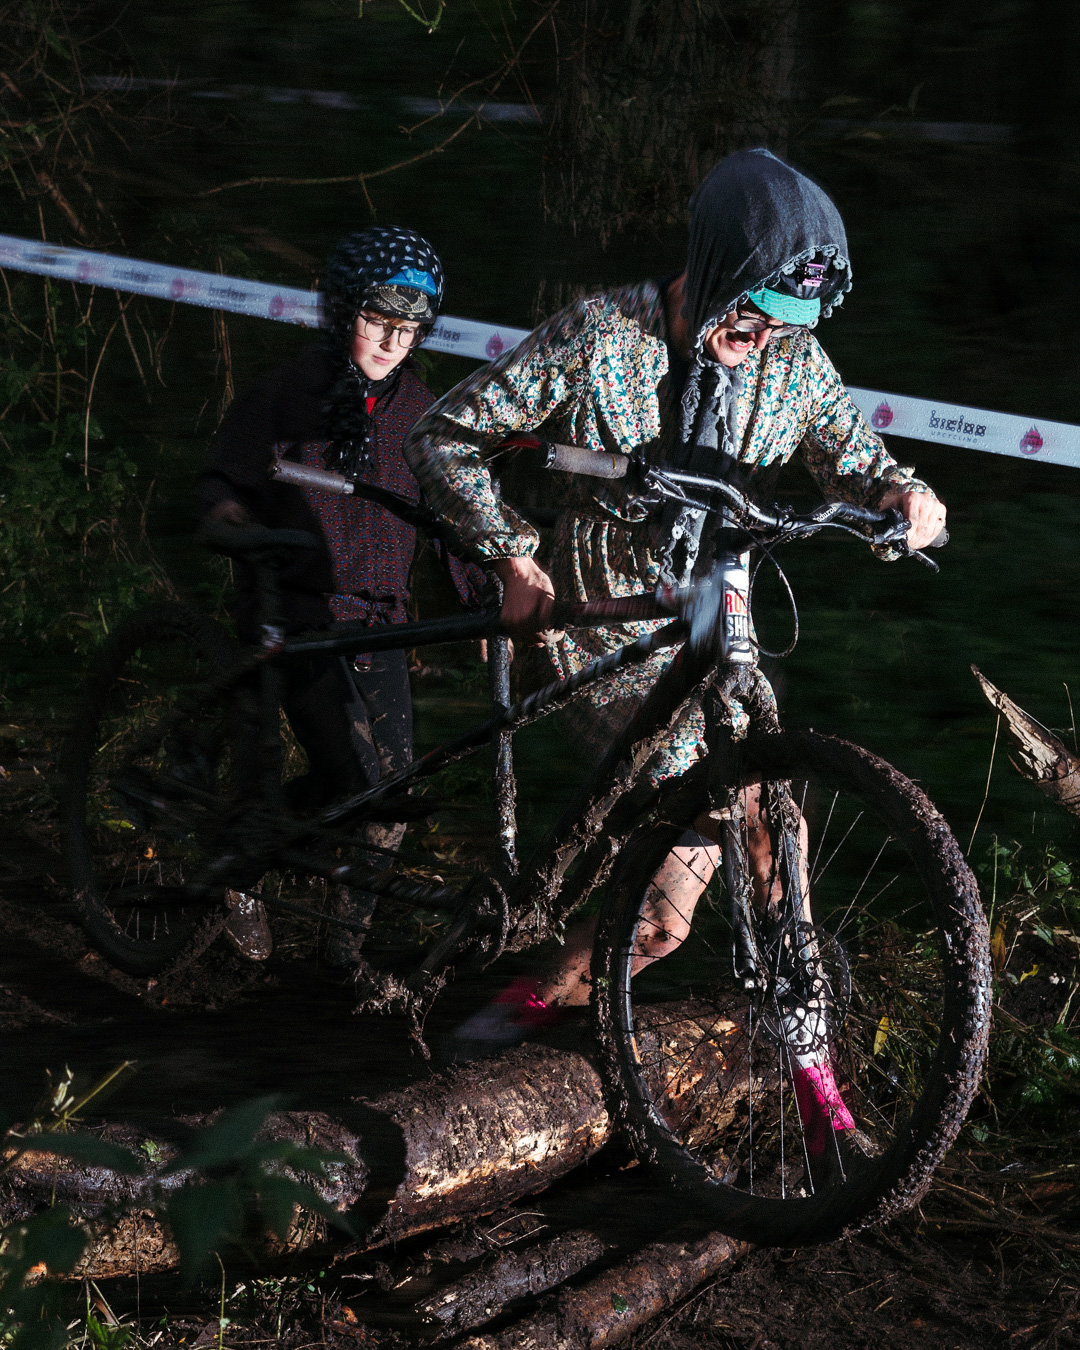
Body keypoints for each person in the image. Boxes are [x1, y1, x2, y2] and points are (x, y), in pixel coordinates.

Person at [403, 149, 946, 1141]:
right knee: (712, 809)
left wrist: (902, 496)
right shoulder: (601, 335)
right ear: (713, 267)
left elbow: (852, 454)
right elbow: (444, 435)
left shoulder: (791, 358)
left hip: (715, 608)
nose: (763, 337)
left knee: (703, 886)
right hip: (604, 607)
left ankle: (793, 1076)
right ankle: (497, 1034)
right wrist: (509, 554)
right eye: (753, 311)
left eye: (785, 322)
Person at [196, 225, 449, 964]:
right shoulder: (284, 392)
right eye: (377, 320)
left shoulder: (421, 410)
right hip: (298, 611)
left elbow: (451, 509)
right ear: (342, 312)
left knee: (391, 795)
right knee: (355, 778)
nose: (392, 341)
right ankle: (237, 869)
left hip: (382, 623)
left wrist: (499, 579)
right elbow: (223, 478)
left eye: (409, 328)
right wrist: (230, 517)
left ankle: (345, 952)